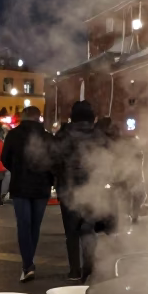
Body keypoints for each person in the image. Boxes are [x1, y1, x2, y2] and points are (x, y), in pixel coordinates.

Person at [53, 101, 116, 281]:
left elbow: (53, 159)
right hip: (93, 187)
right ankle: (89, 264)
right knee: (88, 227)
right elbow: (110, 160)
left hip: (68, 188)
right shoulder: (99, 135)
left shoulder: (63, 135)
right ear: (92, 117)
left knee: (71, 232)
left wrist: (57, 180)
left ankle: (74, 270)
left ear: (72, 116)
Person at [2, 106, 55, 282]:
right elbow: (54, 161)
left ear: (23, 117)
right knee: (35, 226)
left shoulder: (14, 135)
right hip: (41, 188)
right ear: (39, 118)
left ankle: (27, 265)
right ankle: (28, 262)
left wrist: (17, 170)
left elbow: (5, 158)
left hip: (20, 187)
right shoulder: (47, 137)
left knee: (23, 225)